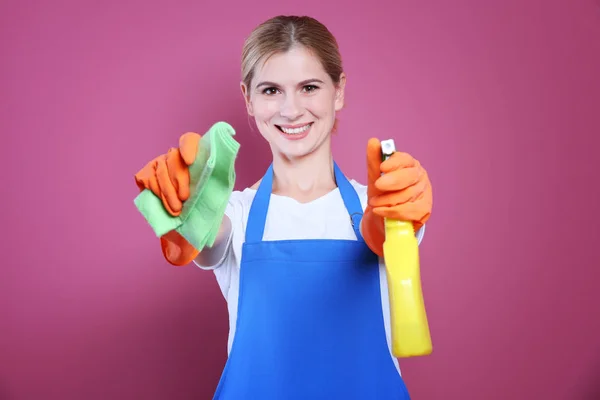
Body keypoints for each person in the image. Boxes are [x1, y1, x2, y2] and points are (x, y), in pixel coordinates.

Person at [134, 15, 433, 400]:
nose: (291, 110)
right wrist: (184, 211)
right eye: (272, 90)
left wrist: (393, 219)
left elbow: (383, 236)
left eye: (309, 87)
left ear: (338, 91)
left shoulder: (381, 202)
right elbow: (206, 236)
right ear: (248, 99)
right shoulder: (235, 216)